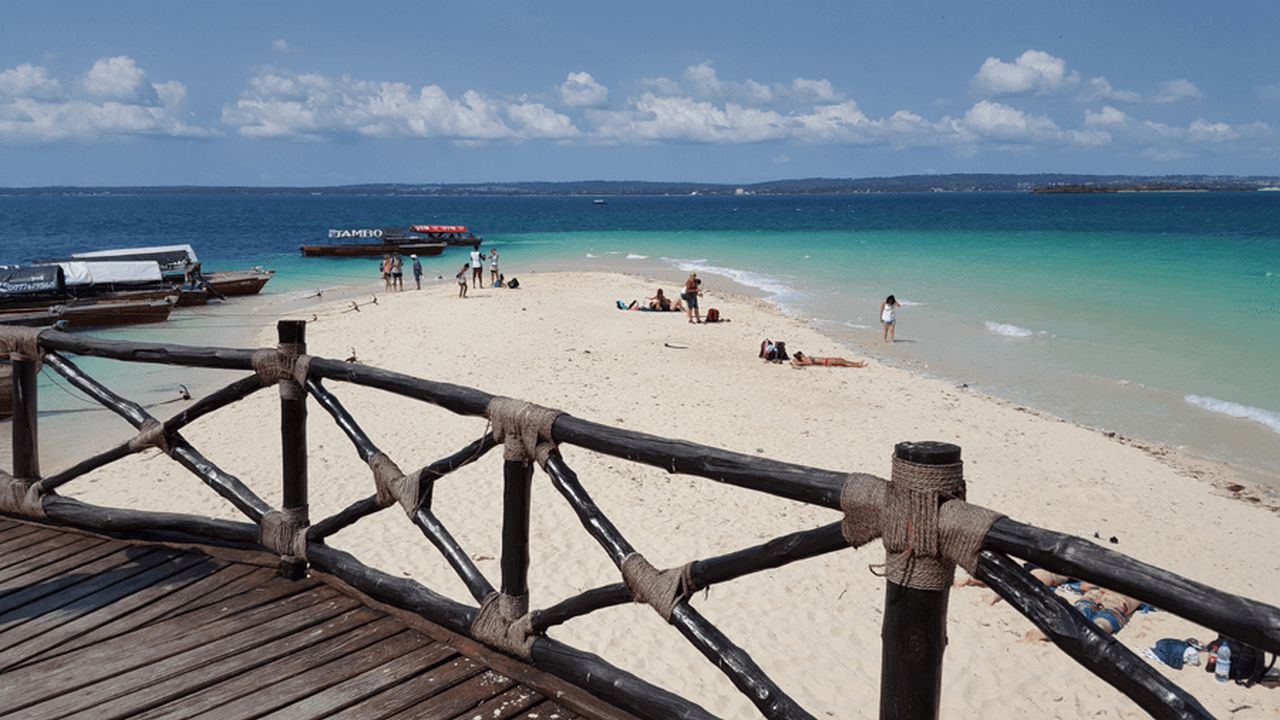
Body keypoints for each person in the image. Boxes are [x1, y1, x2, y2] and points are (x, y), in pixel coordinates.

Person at [790, 351, 867, 368]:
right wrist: (797, 362)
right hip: (826, 362)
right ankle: (858, 365)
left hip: (827, 360)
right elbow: (795, 363)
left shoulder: (805, 359)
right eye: (802, 354)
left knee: (842, 360)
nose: (803, 354)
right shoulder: (805, 361)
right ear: (800, 356)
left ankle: (857, 363)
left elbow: (794, 362)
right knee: (843, 362)